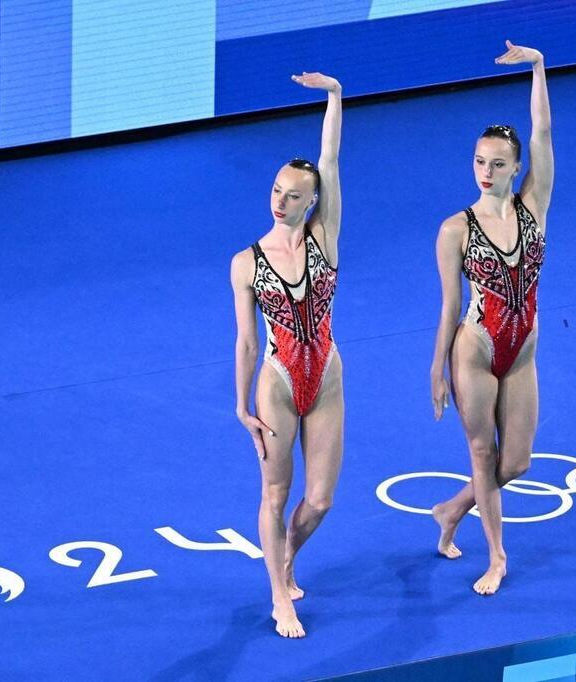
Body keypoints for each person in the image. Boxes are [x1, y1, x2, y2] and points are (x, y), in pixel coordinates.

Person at [429, 41, 553, 596]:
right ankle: (497, 556)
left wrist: (538, 68)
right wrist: (437, 369)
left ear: (517, 168)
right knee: (482, 452)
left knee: (518, 461)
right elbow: (450, 306)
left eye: (498, 163)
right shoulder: (455, 228)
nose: (486, 171)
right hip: (474, 348)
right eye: (479, 161)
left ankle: (452, 508)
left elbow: (543, 133)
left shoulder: (535, 206)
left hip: (521, 348)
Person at [230, 72, 342, 638]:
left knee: (319, 499)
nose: (281, 201)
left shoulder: (326, 238)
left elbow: (331, 155)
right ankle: (279, 596)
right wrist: (240, 404)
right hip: (275, 379)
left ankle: (285, 556)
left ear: (313, 200)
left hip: (325, 374)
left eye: (294, 195)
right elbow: (247, 340)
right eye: (276, 190)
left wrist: (334, 97)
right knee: (275, 493)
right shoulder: (246, 261)